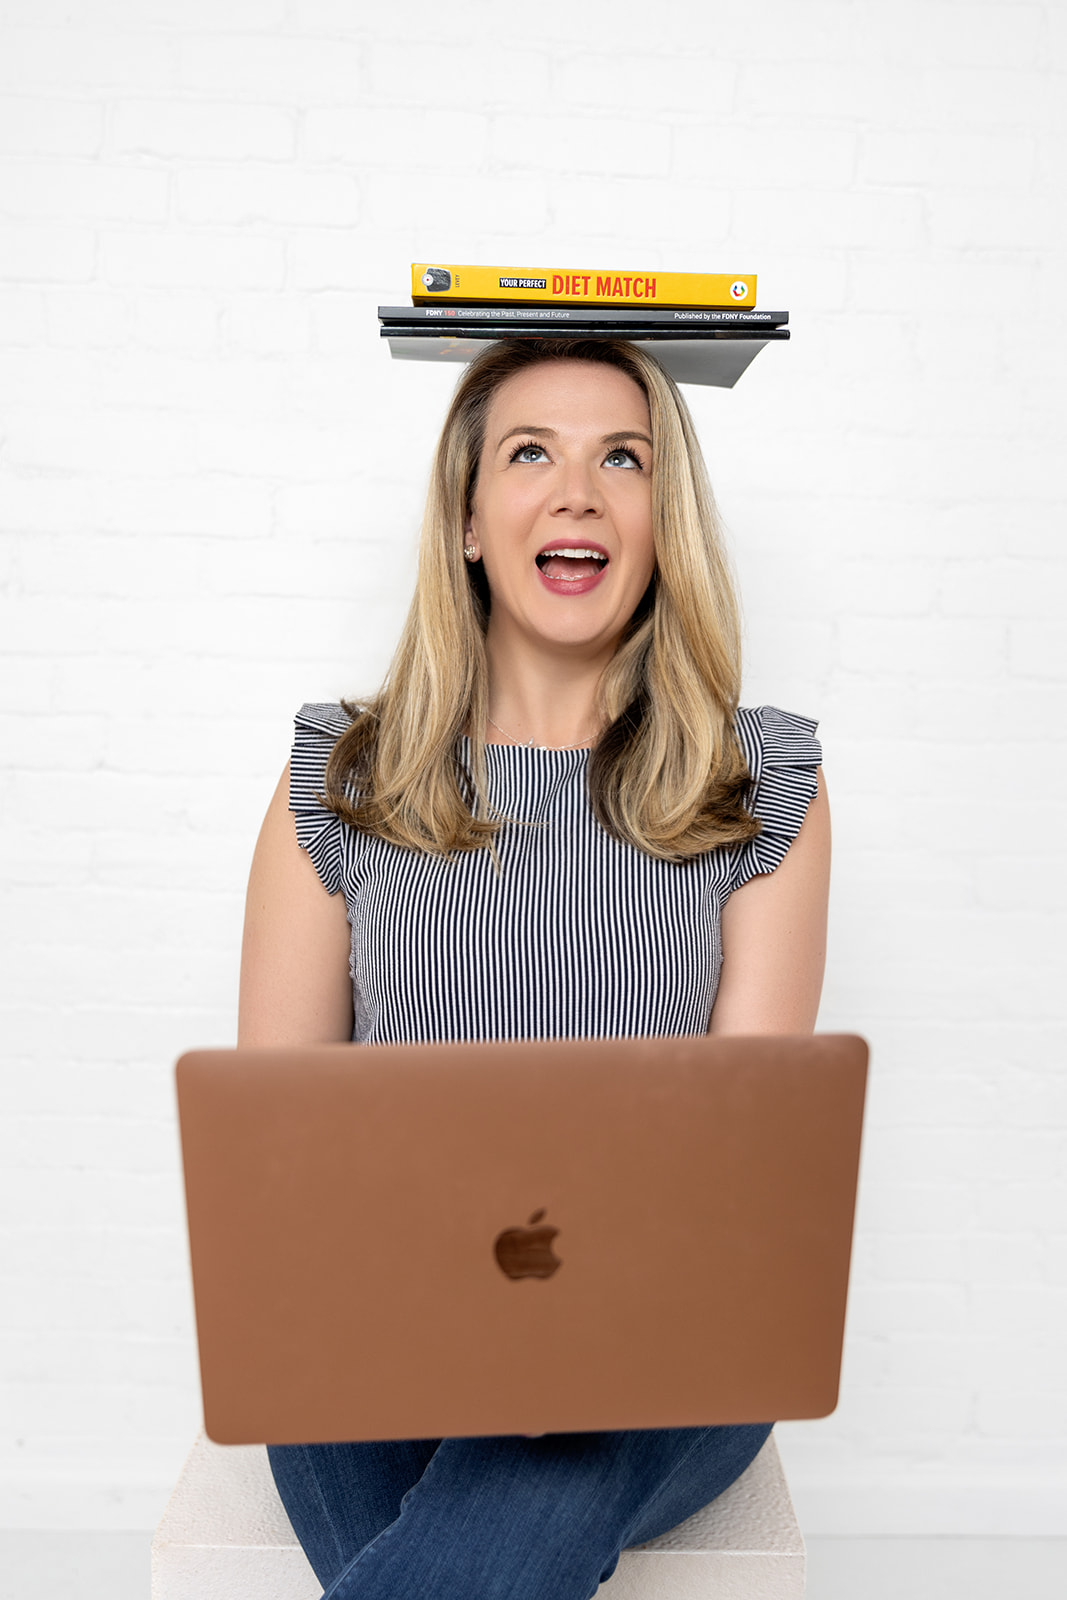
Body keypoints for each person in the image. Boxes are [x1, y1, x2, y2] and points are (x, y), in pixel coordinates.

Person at [237, 337, 830, 1600]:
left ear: (661, 521)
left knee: (540, 1481)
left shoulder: (760, 781)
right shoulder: (339, 782)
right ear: (466, 522)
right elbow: (271, 1181)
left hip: (666, 1358)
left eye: (623, 458)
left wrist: (583, 1348)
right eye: (529, 455)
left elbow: (755, 1175)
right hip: (374, 1343)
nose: (578, 492)